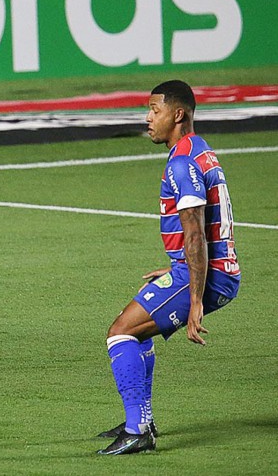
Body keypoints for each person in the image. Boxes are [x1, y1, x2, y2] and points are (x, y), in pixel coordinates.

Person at [96, 80, 241, 455]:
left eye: (154, 110)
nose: (148, 118)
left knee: (120, 333)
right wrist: (175, 261)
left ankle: (138, 432)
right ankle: (141, 420)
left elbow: (195, 233)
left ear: (178, 114)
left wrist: (194, 298)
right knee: (137, 334)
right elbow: (205, 227)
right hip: (201, 269)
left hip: (205, 276)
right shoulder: (200, 151)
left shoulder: (182, 162)